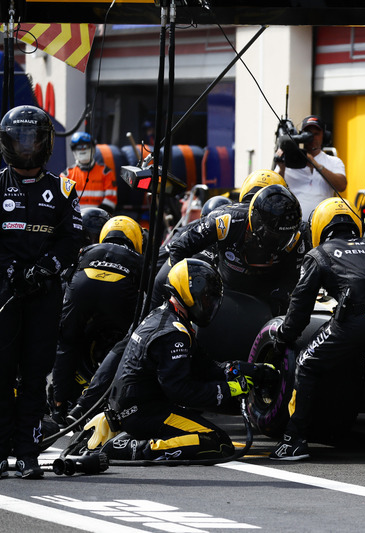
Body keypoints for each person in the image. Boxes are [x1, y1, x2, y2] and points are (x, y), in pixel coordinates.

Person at [268, 197, 365, 460]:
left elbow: (300, 308)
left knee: (306, 363)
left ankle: (294, 440)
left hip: (357, 320)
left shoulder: (319, 254)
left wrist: (283, 338)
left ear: (320, 226)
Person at [101, 258, 274, 461]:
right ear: (188, 293)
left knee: (213, 441)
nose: (210, 305)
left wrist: (242, 370)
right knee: (216, 443)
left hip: (142, 407)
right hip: (144, 413)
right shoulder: (173, 334)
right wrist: (232, 390)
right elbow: (181, 391)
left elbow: (205, 368)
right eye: (207, 298)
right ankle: (132, 448)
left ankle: (133, 439)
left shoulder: (168, 317)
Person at [0, 105, 83, 478]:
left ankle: (29, 452)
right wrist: (10, 269)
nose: (27, 148)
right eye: (20, 140)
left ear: (46, 144)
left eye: (33, 140)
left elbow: (72, 239)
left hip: (43, 293)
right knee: (1, 372)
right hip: (4, 293)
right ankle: (1, 450)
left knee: (35, 374)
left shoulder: (63, 189)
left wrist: (44, 268)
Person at [50, 216, 144, 425]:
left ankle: (58, 406)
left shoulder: (87, 250)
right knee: (129, 343)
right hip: (119, 296)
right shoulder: (139, 259)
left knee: (66, 342)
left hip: (82, 289)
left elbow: (65, 279)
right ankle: (95, 401)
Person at [160, 184, 305, 316]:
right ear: (256, 221)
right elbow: (180, 247)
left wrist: (277, 303)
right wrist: (185, 291)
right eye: (272, 234)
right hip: (224, 291)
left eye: (283, 236)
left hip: (263, 297)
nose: (277, 241)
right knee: (160, 281)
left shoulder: (297, 237)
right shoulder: (226, 221)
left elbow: (292, 278)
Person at [275, 115, 346, 220]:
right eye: (308, 134)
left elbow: (341, 186)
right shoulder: (289, 160)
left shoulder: (333, 161)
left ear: (324, 136)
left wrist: (315, 164)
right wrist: (282, 168)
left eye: (316, 134)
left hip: (322, 223)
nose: (312, 137)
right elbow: (275, 188)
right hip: (293, 223)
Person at [61, 132, 117, 214]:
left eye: (86, 146)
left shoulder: (106, 173)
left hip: (99, 220)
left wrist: (94, 217)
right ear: (74, 151)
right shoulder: (66, 175)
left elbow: (111, 202)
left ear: (93, 149)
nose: (82, 150)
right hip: (75, 221)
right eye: (79, 147)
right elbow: (62, 204)